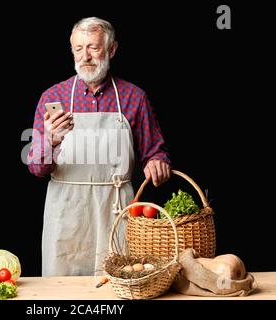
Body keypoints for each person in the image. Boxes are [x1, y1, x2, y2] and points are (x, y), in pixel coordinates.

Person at [27, 17, 171, 276]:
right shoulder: (53, 98)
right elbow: (37, 168)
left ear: (112, 49)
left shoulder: (133, 97)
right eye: (78, 49)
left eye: (93, 47)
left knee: (121, 282)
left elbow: (154, 152)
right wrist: (50, 139)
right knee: (63, 289)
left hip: (116, 209)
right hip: (67, 211)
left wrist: (157, 163)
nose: (86, 57)